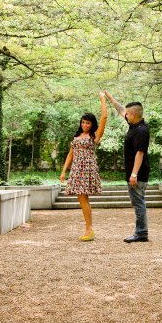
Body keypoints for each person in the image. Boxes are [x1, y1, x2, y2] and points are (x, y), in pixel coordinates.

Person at [60, 91, 107, 241]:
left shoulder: (94, 136)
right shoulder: (77, 137)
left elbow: (104, 117)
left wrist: (102, 99)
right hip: (76, 169)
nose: (85, 125)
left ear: (92, 124)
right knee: (82, 198)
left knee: (82, 198)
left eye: (88, 122)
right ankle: (89, 228)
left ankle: (89, 229)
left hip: (87, 169)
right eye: (83, 122)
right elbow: (70, 154)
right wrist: (63, 172)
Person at [104, 90, 150, 243]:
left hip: (138, 173)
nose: (126, 116)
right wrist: (110, 97)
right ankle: (141, 232)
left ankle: (141, 233)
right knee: (137, 202)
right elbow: (121, 110)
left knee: (138, 202)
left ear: (134, 115)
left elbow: (140, 153)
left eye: (128, 115)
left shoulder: (141, 131)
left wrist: (134, 174)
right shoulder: (134, 124)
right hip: (134, 173)